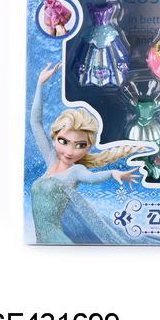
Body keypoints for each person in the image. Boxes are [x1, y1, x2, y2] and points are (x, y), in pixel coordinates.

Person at [29, 63, 142, 243]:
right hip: (43, 242)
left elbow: (92, 177)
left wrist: (113, 173)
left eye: (80, 145)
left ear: (88, 147)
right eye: (63, 141)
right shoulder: (51, 159)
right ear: (54, 137)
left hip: (56, 240)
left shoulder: (75, 171)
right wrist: (40, 84)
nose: (69, 151)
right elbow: (35, 122)